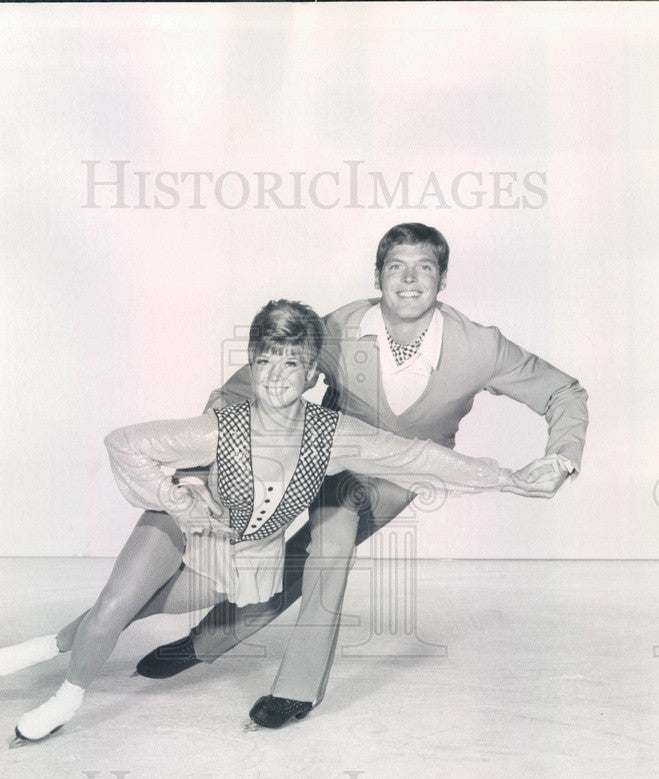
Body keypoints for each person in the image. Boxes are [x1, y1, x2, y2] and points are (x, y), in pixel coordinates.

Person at [0, 299, 527, 742]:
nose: (276, 376)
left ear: (312, 373)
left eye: (291, 363)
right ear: (251, 362)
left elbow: (420, 458)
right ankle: (65, 700)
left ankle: (52, 643)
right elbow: (125, 444)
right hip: (183, 521)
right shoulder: (221, 425)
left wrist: (506, 477)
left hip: (242, 555)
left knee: (135, 609)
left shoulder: (336, 435)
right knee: (117, 604)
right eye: (265, 360)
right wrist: (177, 499)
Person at [134, 223, 589, 728]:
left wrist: (562, 456)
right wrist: (208, 463)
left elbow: (563, 392)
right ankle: (203, 641)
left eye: (425, 268)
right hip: (331, 456)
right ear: (378, 276)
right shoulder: (343, 327)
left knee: (328, 546)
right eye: (396, 267)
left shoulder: (481, 348)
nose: (410, 280)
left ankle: (287, 684)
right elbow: (246, 382)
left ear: (443, 278)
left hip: (404, 472)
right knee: (292, 554)